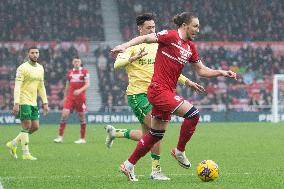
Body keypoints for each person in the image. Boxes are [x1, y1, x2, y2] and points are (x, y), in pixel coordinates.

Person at [111, 12, 237, 181]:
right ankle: (179, 151)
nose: (198, 30)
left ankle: (128, 165)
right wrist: (124, 46)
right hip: (157, 90)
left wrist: (221, 72)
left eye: (198, 26)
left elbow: (201, 70)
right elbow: (145, 39)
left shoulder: (190, 47)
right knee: (193, 114)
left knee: (155, 135)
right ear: (184, 25)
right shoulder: (169, 35)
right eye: (195, 26)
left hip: (168, 91)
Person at [6, 46, 49, 160]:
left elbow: (41, 86)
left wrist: (45, 102)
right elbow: (17, 86)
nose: (35, 54)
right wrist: (16, 103)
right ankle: (26, 153)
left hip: (33, 102)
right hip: (23, 100)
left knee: (35, 127)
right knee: (27, 126)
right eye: (32, 53)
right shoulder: (22, 68)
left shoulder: (40, 68)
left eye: (37, 52)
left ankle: (13, 143)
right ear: (28, 54)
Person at [53, 56, 90, 144]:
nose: (77, 63)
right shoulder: (70, 72)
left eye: (78, 61)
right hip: (70, 97)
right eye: (75, 61)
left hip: (80, 98)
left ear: (80, 62)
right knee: (64, 115)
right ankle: (60, 137)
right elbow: (67, 85)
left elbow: (88, 84)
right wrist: (65, 97)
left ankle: (82, 138)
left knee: (81, 117)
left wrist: (80, 90)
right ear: (73, 63)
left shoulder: (85, 72)